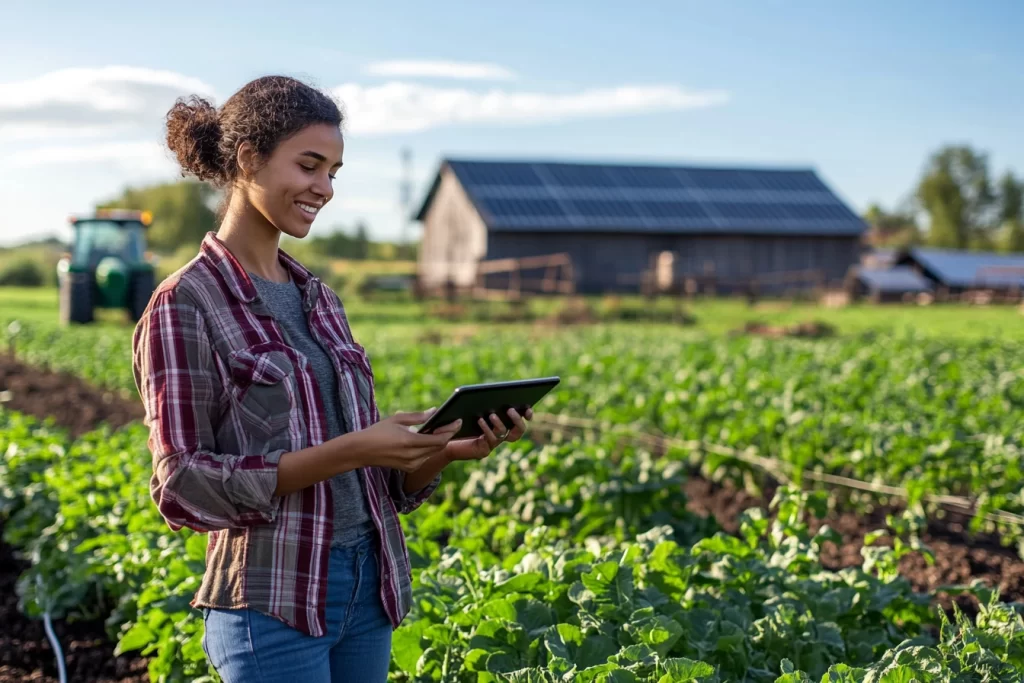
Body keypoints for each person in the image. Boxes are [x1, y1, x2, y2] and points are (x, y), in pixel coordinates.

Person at [131, 75, 532, 683]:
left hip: (368, 588)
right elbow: (183, 484)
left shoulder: (319, 299)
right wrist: (353, 449)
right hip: (274, 600)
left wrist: (442, 450)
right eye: (309, 165)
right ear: (249, 159)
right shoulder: (186, 302)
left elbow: (374, 482)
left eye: (334, 172)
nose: (324, 188)